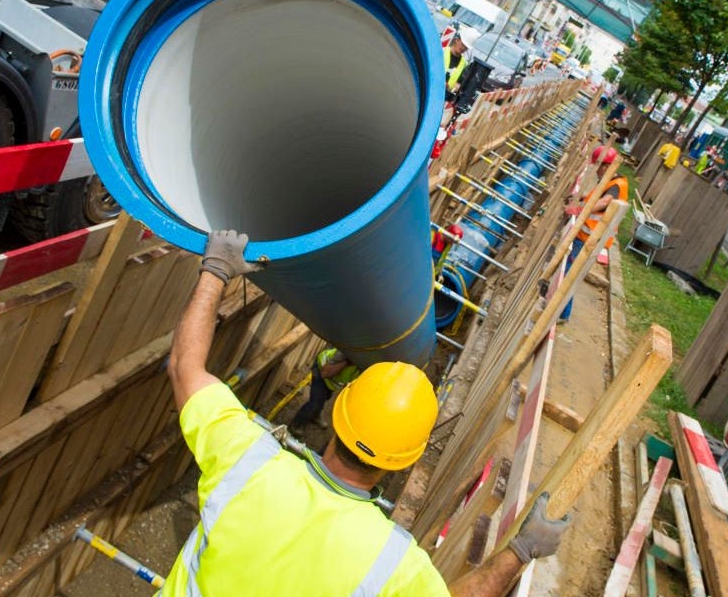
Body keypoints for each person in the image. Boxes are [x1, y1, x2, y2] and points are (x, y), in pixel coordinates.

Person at [161, 230, 571, 596]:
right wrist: (520, 551)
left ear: (338, 414)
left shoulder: (247, 459)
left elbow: (185, 367)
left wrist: (216, 271)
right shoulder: (392, 563)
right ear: (405, 460)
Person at [559, 147, 627, 322]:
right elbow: (596, 197)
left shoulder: (617, 185)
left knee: (569, 274)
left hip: (590, 239)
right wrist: (583, 199)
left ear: (606, 166)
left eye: (598, 166)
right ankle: (561, 311)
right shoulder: (610, 180)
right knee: (568, 271)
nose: (596, 170)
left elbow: (605, 201)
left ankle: (563, 314)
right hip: (586, 236)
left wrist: (579, 210)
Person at [290, 346, 360, 429]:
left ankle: (315, 415)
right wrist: (347, 362)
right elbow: (325, 373)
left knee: (324, 398)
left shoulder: (365, 365)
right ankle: (295, 425)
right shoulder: (346, 352)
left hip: (331, 382)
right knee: (315, 402)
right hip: (321, 370)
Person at [444, 28, 477, 100]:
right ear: (457, 40)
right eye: (462, 44)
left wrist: (457, 87)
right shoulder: (442, 52)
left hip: (445, 97)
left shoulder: (464, 64)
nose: (463, 48)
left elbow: (460, 82)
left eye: (466, 47)